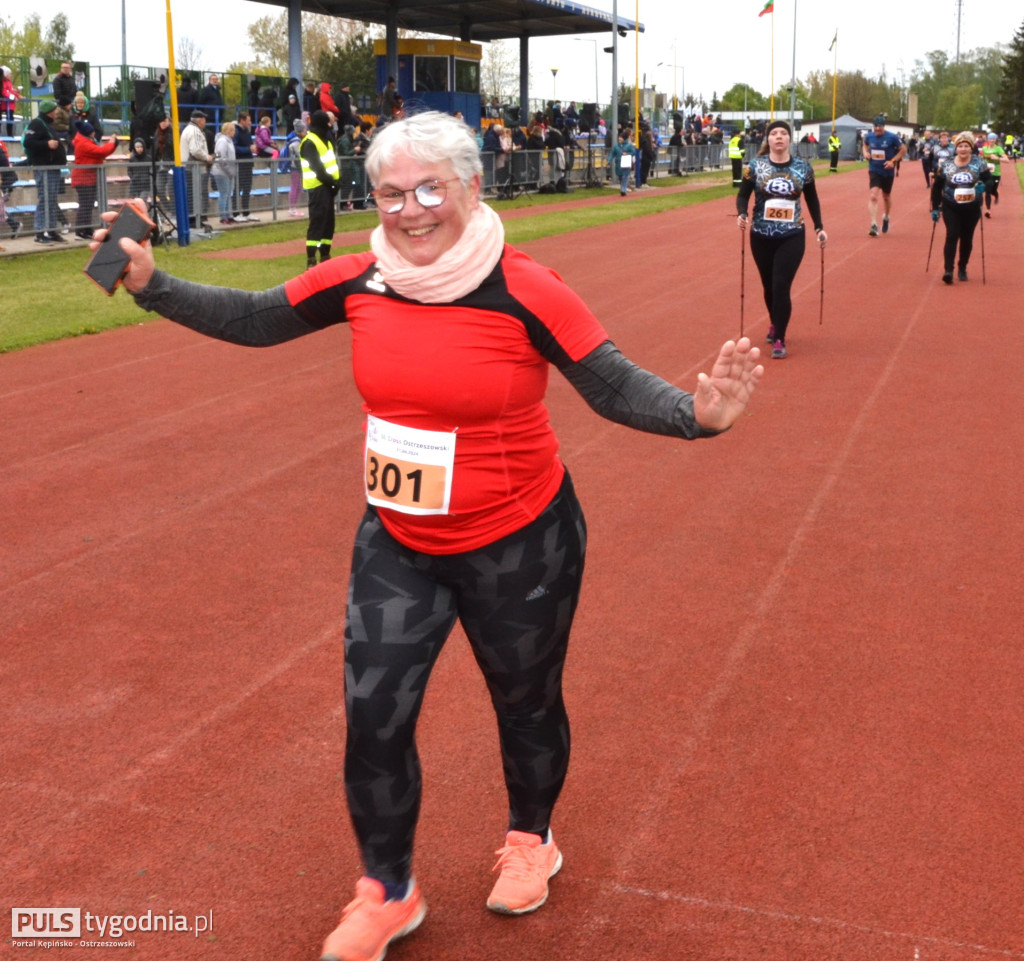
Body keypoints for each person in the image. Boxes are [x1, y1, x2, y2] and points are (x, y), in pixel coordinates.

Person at [90, 109, 763, 961]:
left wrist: (697, 416)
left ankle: (532, 838)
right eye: (391, 193)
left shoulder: (528, 288)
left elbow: (613, 384)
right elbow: (257, 316)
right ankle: (388, 888)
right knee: (373, 714)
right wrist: (152, 283)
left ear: (472, 187)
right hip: (400, 541)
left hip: (521, 539)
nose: (410, 210)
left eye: (430, 189)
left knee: (525, 704)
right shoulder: (358, 278)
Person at [737, 119, 827, 360]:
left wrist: (819, 227)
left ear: (789, 139)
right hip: (761, 235)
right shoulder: (754, 167)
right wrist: (742, 214)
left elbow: (812, 199)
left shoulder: (803, 168)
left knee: (780, 285)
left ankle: (779, 338)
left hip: (792, 235)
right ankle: (775, 322)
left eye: (783, 133)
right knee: (768, 286)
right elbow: (742, 196)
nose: (778, 137)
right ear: (768, 139)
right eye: (774, 133)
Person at [930, 130, 992, 285]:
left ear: (971, 148)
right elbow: (937, 186)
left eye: (966, 146)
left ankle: (962, 266)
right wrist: (936, 207)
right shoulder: (947, 164)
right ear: (956, 148)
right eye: (960, 146)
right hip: (951, 205)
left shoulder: (979, 162)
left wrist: (983, 186)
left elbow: (989, 181)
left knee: (967, 237)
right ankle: (948, 270)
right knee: (952, 235)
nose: (963, 149)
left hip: (972, 207)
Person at [22, 98, 68, 245]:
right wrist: (46, 144)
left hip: (53, 168)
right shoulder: (37, 123)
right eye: (54, 110)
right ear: (49, 112)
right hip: (44, 168)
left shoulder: (48, 125)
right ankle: (40, 232)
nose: (56, 113)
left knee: (52, 200)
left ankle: (52, 230)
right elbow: (28, 141)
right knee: (45, 199)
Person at [299, 109, 340, 268]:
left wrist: (337, 182)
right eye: (328, 122)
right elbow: (318, 168)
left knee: (328, 223)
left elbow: (332, 164)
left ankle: (325, 254)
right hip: (318, 188)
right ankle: (311, 257)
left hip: (329, 187)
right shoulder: (309, 142)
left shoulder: (326, 140)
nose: (330, 125)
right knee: (317, 222)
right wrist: (332, 183)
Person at [861, 114, 905, 236]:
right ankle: (874, 225)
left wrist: (893, 161)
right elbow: (864, 145)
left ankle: (886, 217)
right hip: (874, 169)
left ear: (884, 127)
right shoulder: (869, 136)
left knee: (886, 196)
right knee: (873, 196)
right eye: (875, 127)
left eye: (880, 127)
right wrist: (865, 152)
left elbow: (903, 150)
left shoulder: (892, 137)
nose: (877, 129)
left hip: (887, 171)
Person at [179, 109, 212, 230]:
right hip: (192, 167)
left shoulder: (188, 129)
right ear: (199, 120)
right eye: (204, 119)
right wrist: (207, 157)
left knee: (191, 195)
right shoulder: (195, 131)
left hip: (187, 167)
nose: (205, 121)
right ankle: (194, 220)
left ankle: (193, 220)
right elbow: (196, 150)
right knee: (194, 195)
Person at [232, 112, 257, 222]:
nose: (250, 123)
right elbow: (234, 148)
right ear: (242, 120)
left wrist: (252, 148)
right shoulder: (236, 131)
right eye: (248, 120)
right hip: (240, 164)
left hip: (248, 164)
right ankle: (235, 213)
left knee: (247, 189)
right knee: (238, 189)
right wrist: (248, 149)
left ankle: (246, 212)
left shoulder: (247, 131)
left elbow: (250, 144)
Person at [211, 120, 238, 225]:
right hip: (221, 172)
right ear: (228, 131)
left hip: (229, 171)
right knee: (224, 193)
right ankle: (223, 216)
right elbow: (221, 158)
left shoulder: (229, 141)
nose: (234, 132)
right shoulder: (222, 141)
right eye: (233, 130)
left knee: (228, 194)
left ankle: (228, 214)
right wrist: (229, 170)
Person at [978, 132, 1005, 218]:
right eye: (990, 138)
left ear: (995, 140)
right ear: (988, 140)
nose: (992, 140)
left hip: (996, 173)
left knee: (993, 191)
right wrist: (981, 159)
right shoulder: (984, 148)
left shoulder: (998, 149)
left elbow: (1007, 159)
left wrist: (997, 158)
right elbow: (980, 157)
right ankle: (988, 211)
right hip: (986, 173)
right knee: (987, 191)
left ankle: (996, 195)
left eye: (993, 139)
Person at [287, 119, 307, 216]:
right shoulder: (295, 142)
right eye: (304, 130)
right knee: (295, 187)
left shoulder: (297, 140)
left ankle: (294, 207)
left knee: (298, 187)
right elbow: (300, 154)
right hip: (295, 166)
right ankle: (292, 208)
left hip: (297, 166)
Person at [608, 128, 637, 196]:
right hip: (618, 164)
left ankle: (623, 190)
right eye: (619, 137)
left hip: (626, 163)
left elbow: (633, 152)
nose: (619, 139)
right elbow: (612, 153)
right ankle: (623, 187)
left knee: (625, 176)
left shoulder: (629, 145)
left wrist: (627, 154)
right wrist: (609, 160)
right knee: (620, 176)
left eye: (621, 137)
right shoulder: (616, 146)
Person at [2, 65, 24, 137]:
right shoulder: (2, 82)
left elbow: (11, 91)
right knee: (6, 119)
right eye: (9, 74)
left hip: (10, 104)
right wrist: (14, 97)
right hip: (4, 103)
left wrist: (18, 95)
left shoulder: (8, 82)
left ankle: (10, 135)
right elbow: (4, 92)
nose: (11, 75)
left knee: (10, 119)